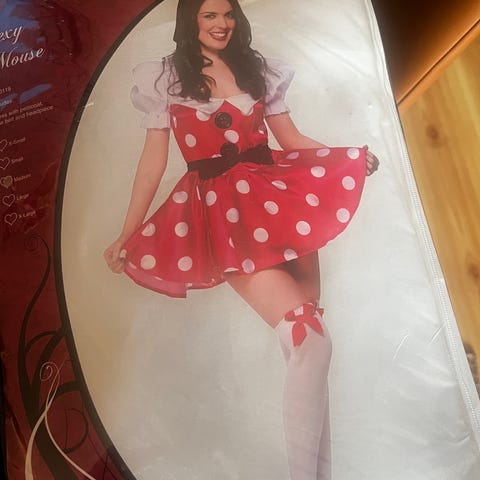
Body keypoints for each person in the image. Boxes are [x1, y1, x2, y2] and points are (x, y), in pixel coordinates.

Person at [104, 0, 379, 478]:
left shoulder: (257, 69)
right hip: (226, 218)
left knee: (310, 348)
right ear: (191, 19)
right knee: (308, 337)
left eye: (228, 14)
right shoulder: (165, 78)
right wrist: (128, 232)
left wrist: (347, 158)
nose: (222, 24)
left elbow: (291, 139)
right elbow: (152, 163)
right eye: (209, 15)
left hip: (281, 201)